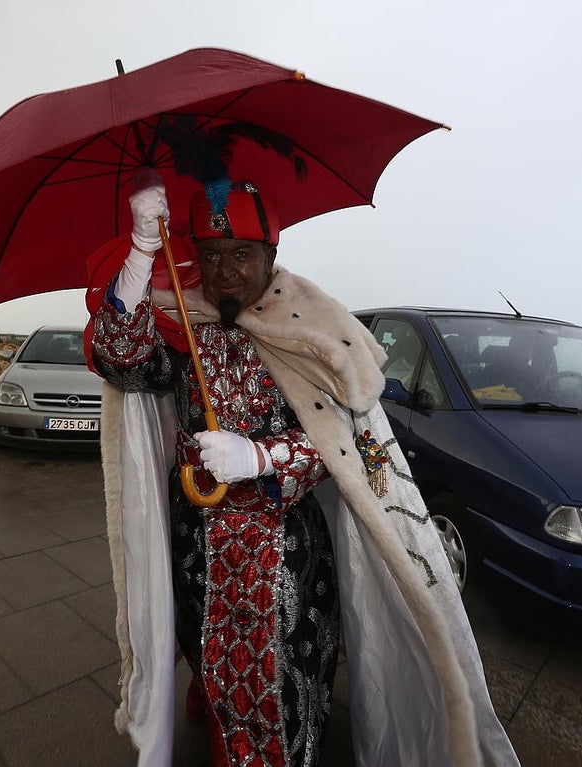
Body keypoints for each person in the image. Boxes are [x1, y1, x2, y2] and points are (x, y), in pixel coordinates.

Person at [87, 171, 519, 767]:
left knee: (286, 690)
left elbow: (347, 447)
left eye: (241, 254)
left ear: (271, 252)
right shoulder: (187, 327)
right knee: (208, 661)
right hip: (198, 549)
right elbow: (123, 362)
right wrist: (140, 252)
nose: (225, 271)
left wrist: (260, 457)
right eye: (210, 256)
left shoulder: (310, 329)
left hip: (285, 550)